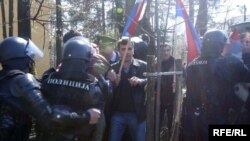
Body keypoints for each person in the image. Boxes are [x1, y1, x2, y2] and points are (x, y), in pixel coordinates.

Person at [0, 36, 101, 141]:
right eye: (30, 56)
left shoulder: (4, 78)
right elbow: (50, 118)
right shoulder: (22, 80)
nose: (32, 61)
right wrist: (86, 116)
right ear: (21, 58)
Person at [181, 29, 250, 141]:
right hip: (219, 117)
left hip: (194, 118)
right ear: (220, 45)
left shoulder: (191, 65)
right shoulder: (231, 62)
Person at [37, 36, 107, 141]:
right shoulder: (93, 86)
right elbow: (104, 103)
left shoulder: (47, 80)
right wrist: (100, 75)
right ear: (87, 58)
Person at [107, 37, 147, 141]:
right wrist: (112, 83)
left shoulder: (143, 66)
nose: (127, 52)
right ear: (119, 51)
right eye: (123, 49)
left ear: (133, 50)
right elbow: (105, 91)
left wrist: (141, 81)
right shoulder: (112, 68)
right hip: (117, 115)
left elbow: (154, 82)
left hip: (137, 114)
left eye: (129, 49)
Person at [157, 44, 175, 136]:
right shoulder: (156, 63)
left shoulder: (175, 63)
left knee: (172, 123)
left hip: (173, 98)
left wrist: (178, 83)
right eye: (164, 51)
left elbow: (184, 76)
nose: (166, 53)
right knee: (157, 122)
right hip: (159, 98)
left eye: (168, 50)